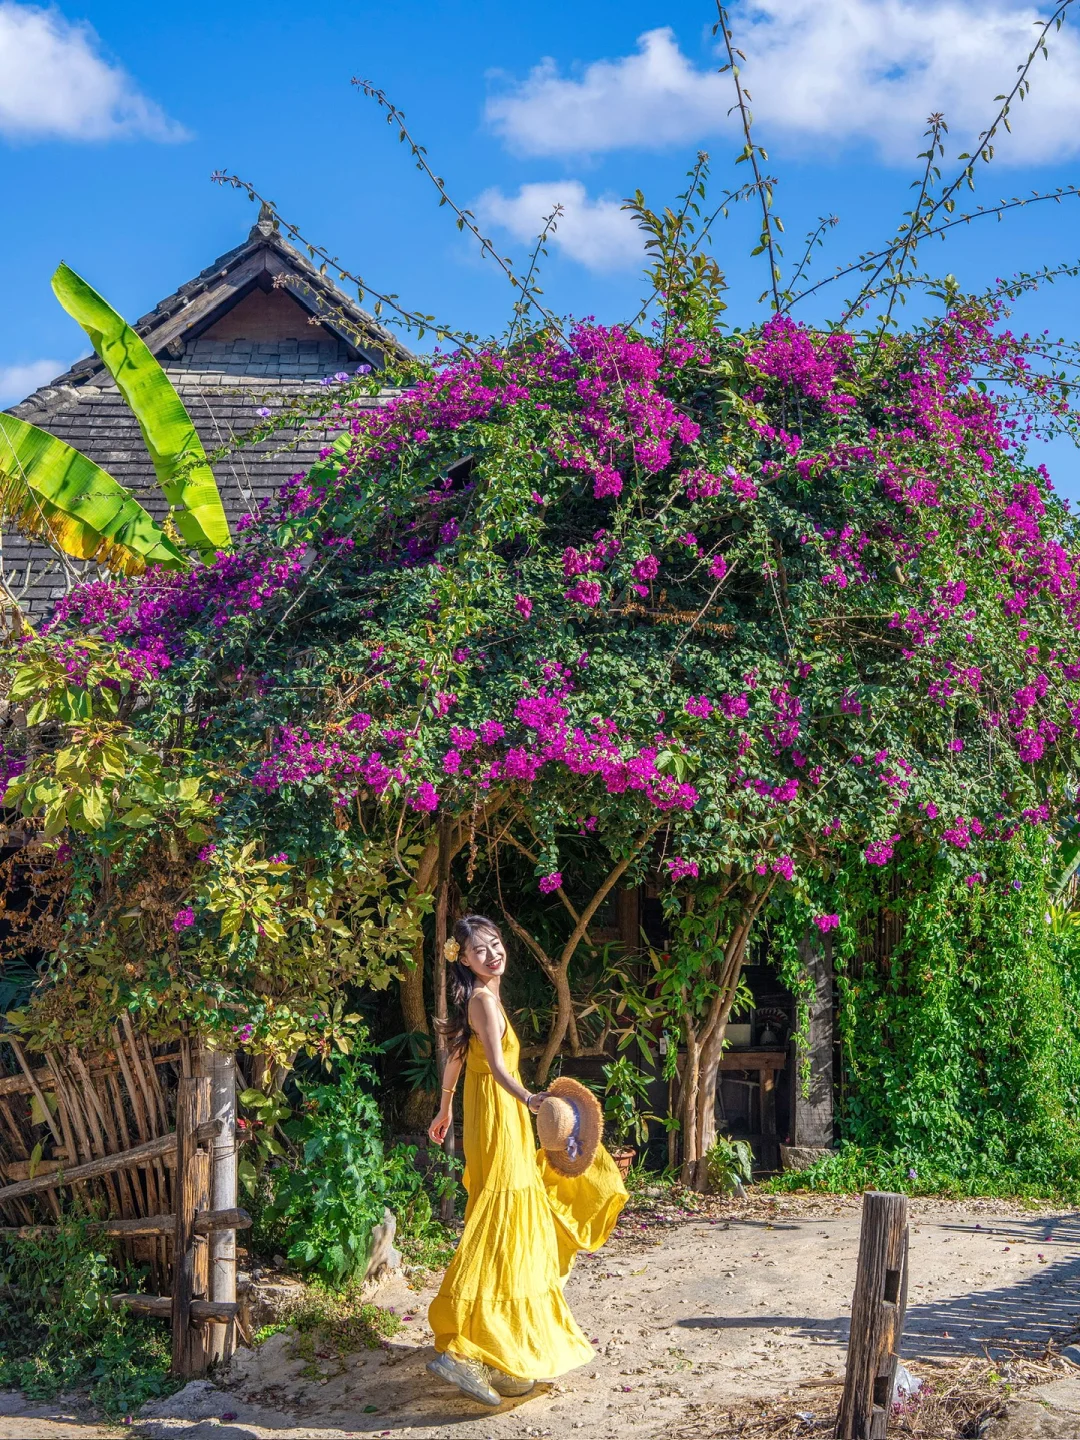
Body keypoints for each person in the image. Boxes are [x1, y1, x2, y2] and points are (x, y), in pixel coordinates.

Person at [426, 914, 628, 1407]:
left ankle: (500, 1349)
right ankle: (465, 1351)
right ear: (464, 960)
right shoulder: (483, 1000)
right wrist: (530, 1098)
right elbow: (496, 1067)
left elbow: (458, 1052)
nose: (493, 954)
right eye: (480, 950)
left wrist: (446, 1104)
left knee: (504, 1218)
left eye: (496, 944)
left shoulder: (478, 1000)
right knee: (502, 1218)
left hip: (492, 1116)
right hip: (500, 1113)